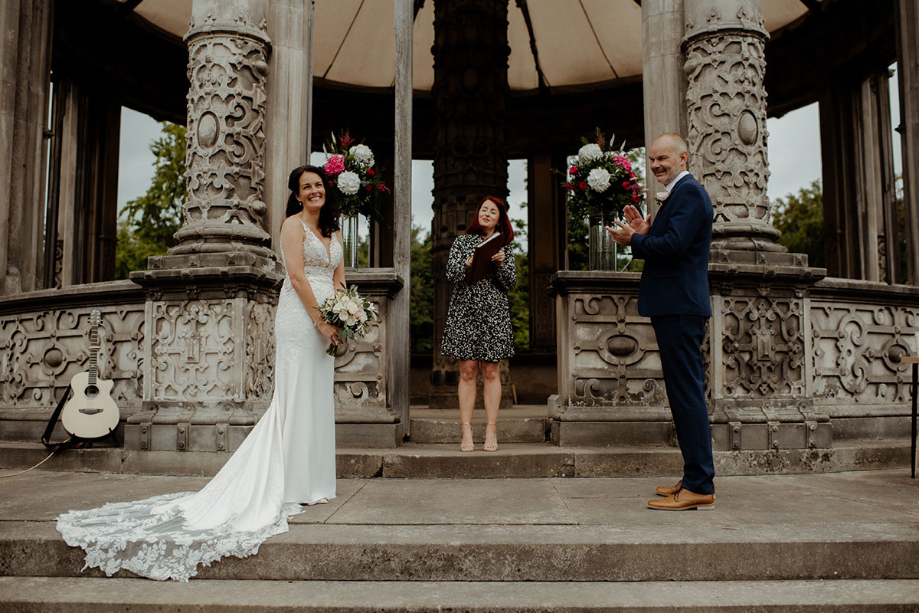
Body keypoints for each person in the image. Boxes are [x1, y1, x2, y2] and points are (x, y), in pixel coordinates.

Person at [56, 165, 345, 580]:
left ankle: (315, 482)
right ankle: (291, 483)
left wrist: (345, 317)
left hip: (329, 320)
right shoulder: (291, 225)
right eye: (306, 187)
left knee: (318, 396)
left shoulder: (335, 232)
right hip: (301, 319)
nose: (314, 191)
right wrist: (320, 320)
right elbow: (298, 278)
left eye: (318, 185)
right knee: (296, 394)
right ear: (297, 195)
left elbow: (339, 278)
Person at [605, 133, 716, 511]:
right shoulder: (679, 194)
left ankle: (700, 483)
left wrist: (633, 241)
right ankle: (692, 476)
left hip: (681, 305)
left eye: (663, 158)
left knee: (687, 395)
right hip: (675, 305)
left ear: (683, 157)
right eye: (652, 160)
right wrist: (646, 233)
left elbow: (674, 247)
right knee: (683, 394)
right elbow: (668, 241)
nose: (655, 165)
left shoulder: (689, 194)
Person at [441, 196, 516, 452]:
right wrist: (468, 262)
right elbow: (451, 275)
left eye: (492, 211)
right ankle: (466, 431)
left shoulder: (504, 247)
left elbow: (510, 283)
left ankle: (491, 430)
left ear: (499, 219)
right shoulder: (462, 242)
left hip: (494, 313)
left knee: (491, 373)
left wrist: (502, 264)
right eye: (483, 209)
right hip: (465, 313)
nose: (486, 214)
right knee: (468, 372)